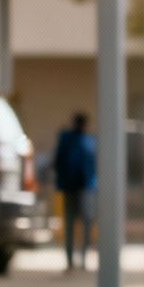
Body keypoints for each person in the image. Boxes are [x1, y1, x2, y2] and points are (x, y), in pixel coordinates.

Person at [51, 111, 96, 273]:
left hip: (69, 186)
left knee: (70, 225)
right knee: (85, 224)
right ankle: (82, 260)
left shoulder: (66, 138)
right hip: (86, 187)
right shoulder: (89, 141)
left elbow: (57, 161)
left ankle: (70, 261)